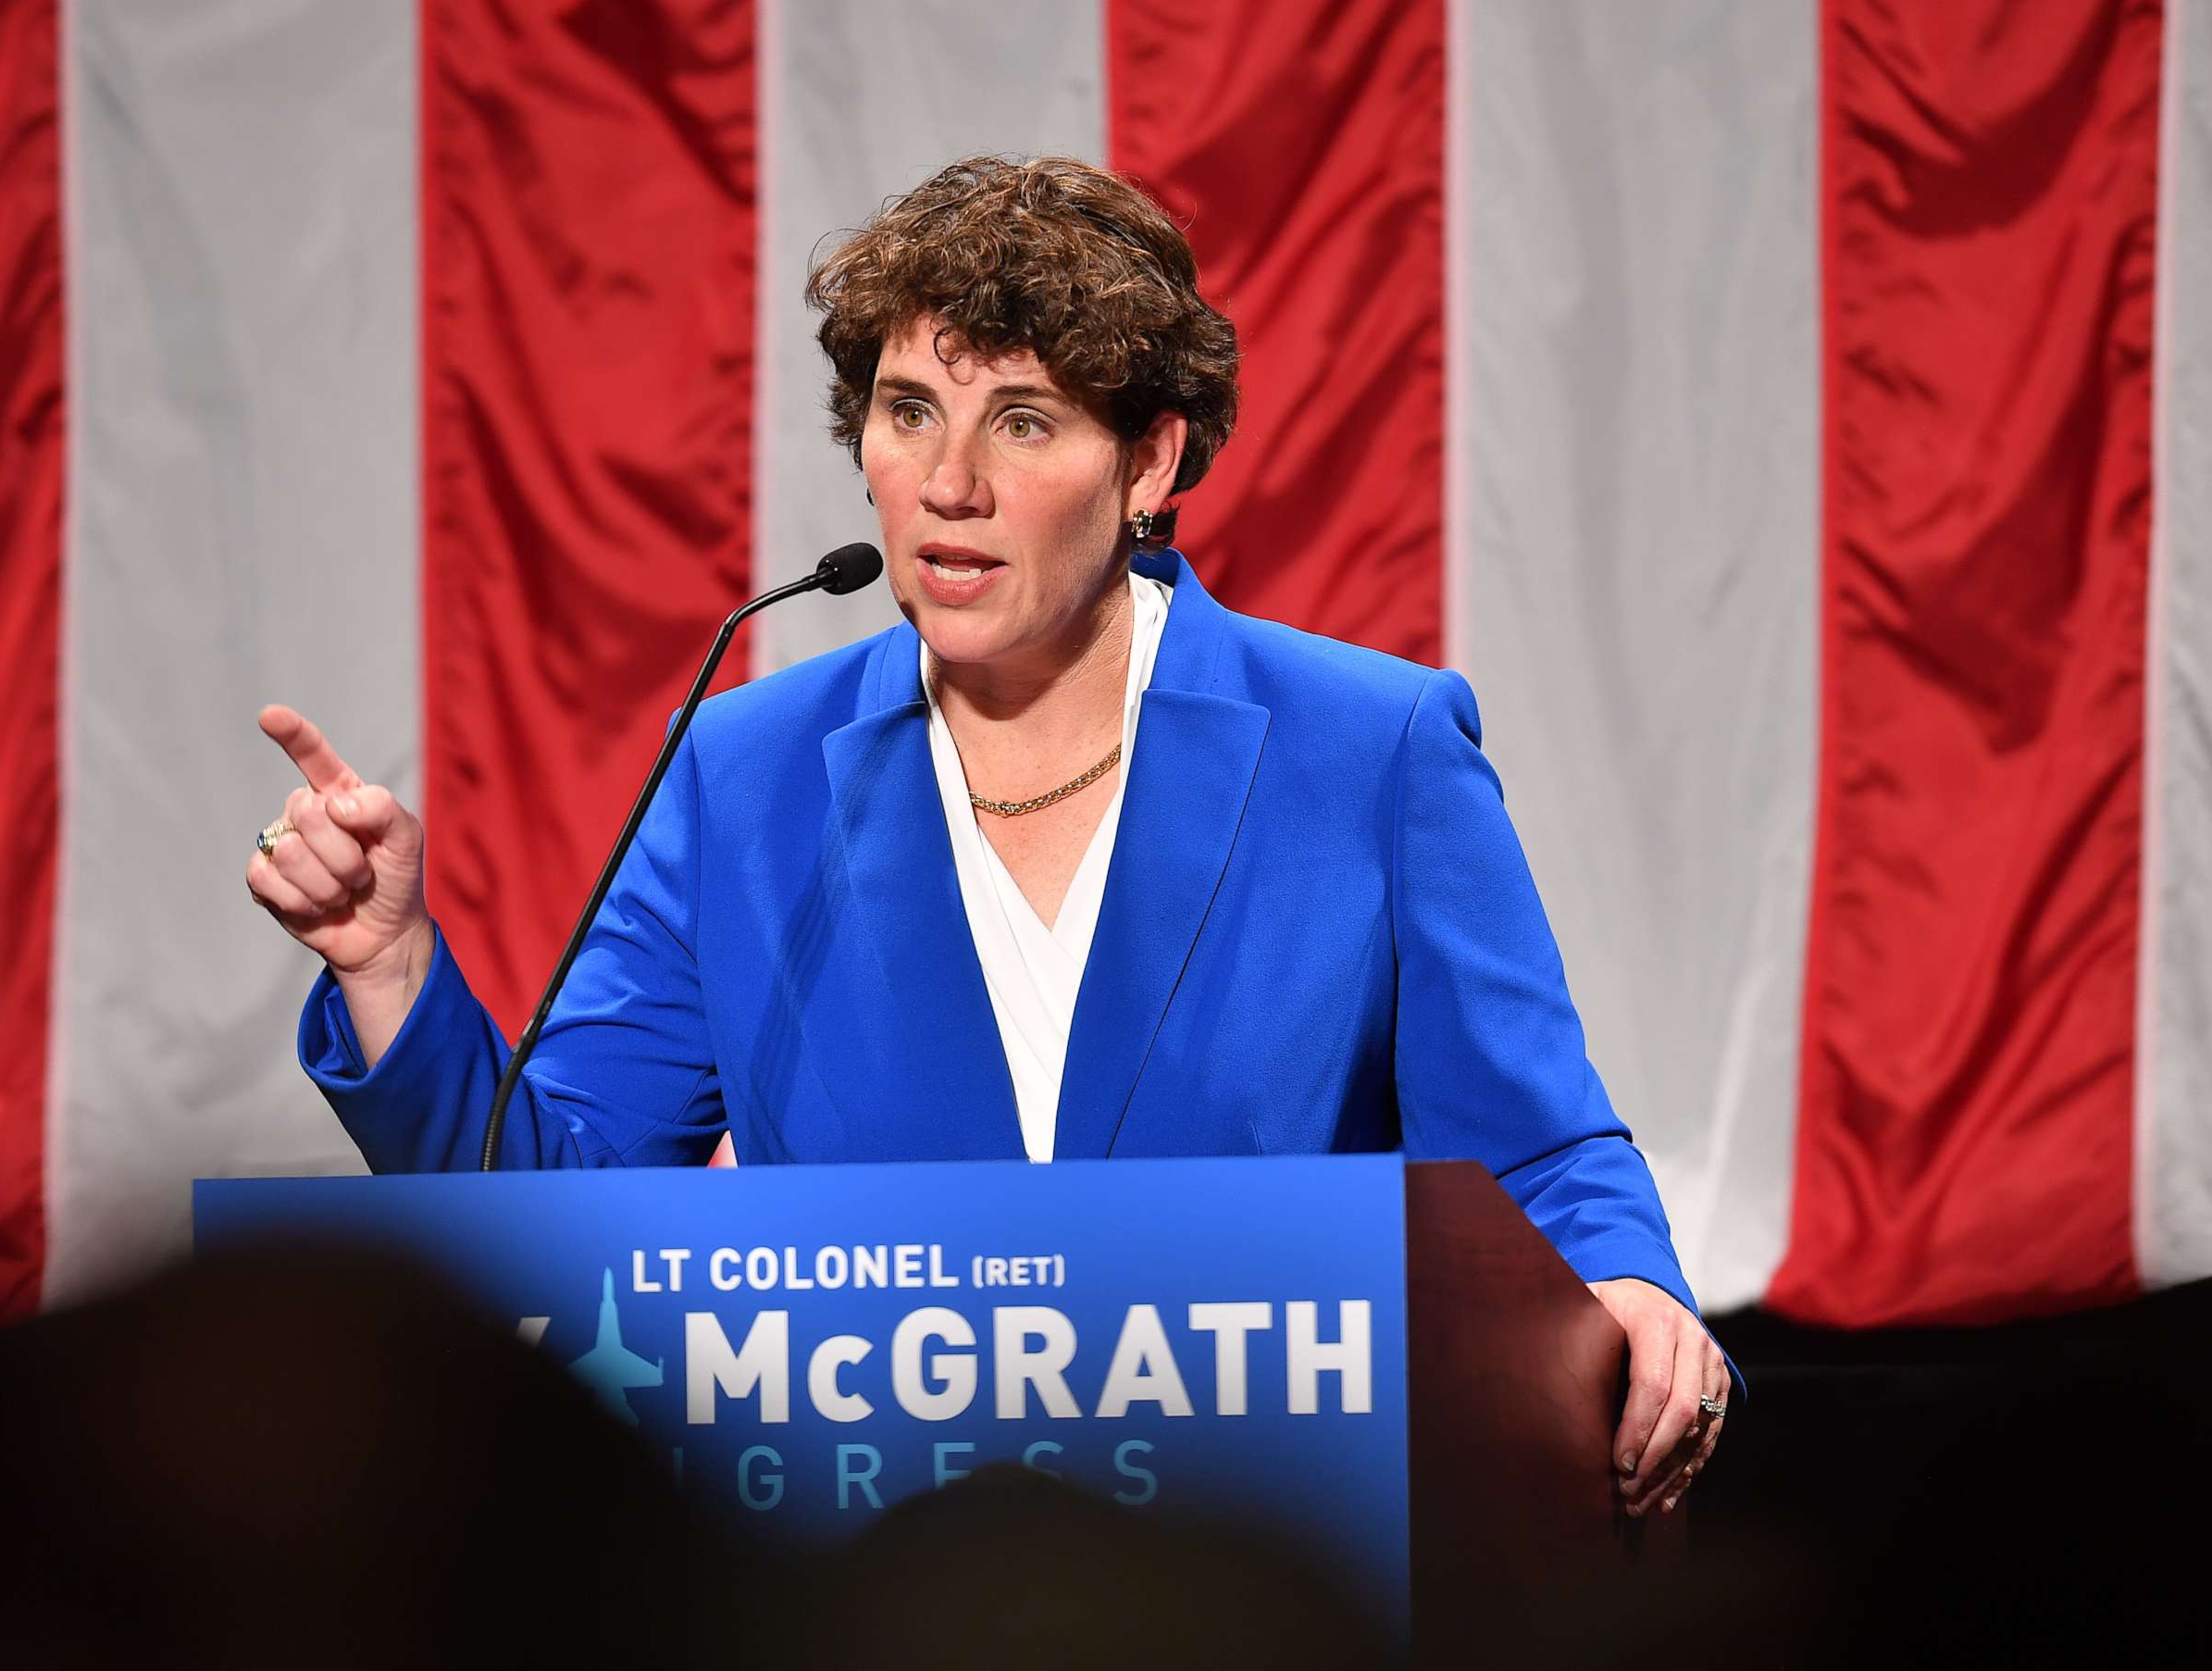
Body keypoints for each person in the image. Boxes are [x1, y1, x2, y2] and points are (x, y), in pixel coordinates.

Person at [244, 156, 1731, 1517]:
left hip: (1276, 1559)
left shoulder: (1372, 749)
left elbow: (1539, 1151)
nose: (948, 484)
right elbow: (557, 1223)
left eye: (1021, 421)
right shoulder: (743, 771)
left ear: (1149, 465)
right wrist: (389, 970)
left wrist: (1629, 1280)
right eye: (909, 413)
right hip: (868, 1570)